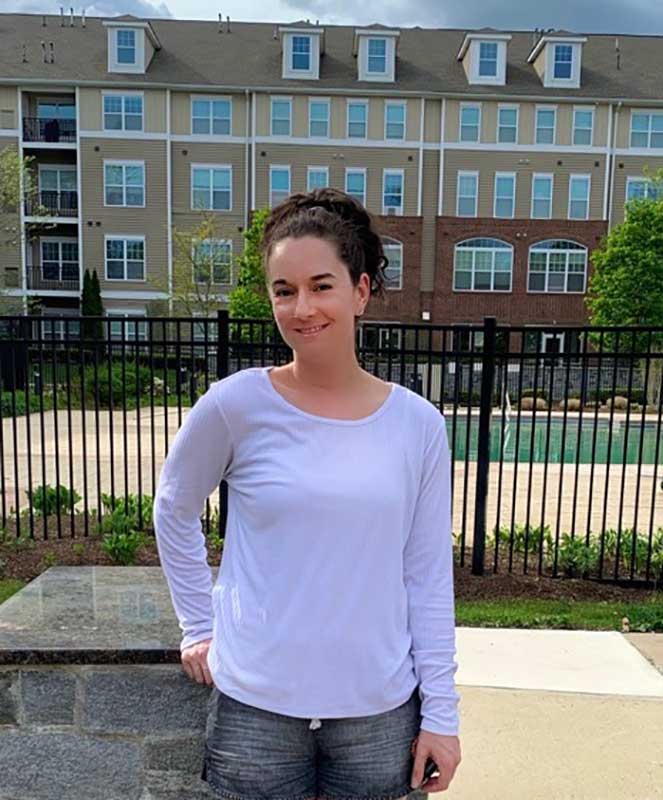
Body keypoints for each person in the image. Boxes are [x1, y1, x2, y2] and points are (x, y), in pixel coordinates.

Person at [153, 187, 461, 800]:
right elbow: (174, 507)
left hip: (378, 714)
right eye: (284, 290)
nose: (302, 308)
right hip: (255, 710)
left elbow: (427, 576)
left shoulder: (418, 424)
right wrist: (199, 626)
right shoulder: (236, 405)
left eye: (322, 285)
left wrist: (442, 716)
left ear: (362, 291)